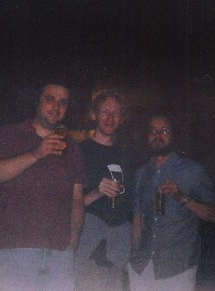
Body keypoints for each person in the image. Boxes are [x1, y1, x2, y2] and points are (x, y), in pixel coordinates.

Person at [0, 80, 86, 291]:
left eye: (63, 102)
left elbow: (76, 199)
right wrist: (37, 154)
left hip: (59, 255)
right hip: (13, 251)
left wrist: (70, 246)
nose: (56, 107)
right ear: (37, 102)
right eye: (50, 99)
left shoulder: (72, 147)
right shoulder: (8, 134)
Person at [128, 114, 215, 291]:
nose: (157, 135)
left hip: (177, 269)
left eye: (163, 131)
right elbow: (138, 219)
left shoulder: (193, 170)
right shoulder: (141, 174)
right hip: (141, 267)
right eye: (152, 131)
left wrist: (181, 197)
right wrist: (132, 255)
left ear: (173, 135)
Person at [75, 90, 131, 290]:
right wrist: (98, 192)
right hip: (86, 251)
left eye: (115, 113)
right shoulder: (78, 151)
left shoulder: (127, 153)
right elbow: (64, 204)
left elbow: (132, 205)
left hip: (117, 252)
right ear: (94, 115)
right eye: (105, 111)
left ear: (121, 119)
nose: (110, 118)